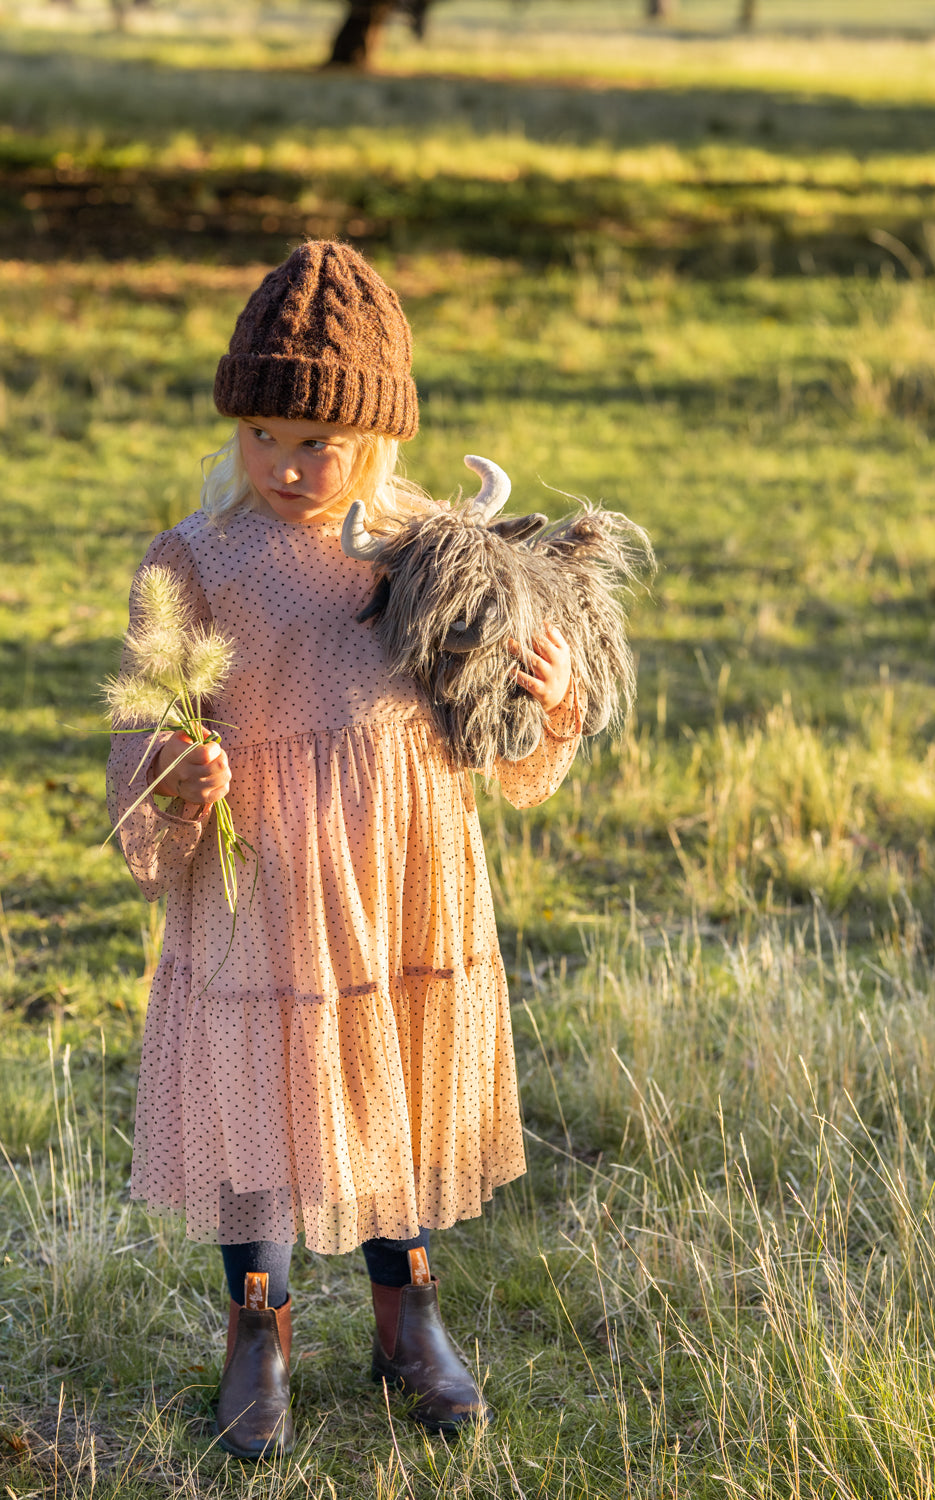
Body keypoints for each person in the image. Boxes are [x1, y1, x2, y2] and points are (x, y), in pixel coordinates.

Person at [106, 240, 583, 1460]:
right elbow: (148, 718)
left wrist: (547, 698)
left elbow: (495, 731)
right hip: (264, 874)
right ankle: (255, 1333)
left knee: (392, 1084)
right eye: (262, 434)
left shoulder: (437, 549)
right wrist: (174, 770)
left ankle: (406, 1318)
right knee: (259, 1092)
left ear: (375, 435)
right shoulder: (196, 561)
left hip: (401, 869)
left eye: (315, 438)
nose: (284, 463)